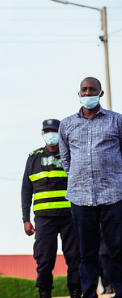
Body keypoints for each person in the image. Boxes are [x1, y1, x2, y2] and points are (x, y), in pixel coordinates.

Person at [59, 77, 122, 298]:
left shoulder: (117, 121)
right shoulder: (66, 125)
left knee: (117, 249)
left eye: (92, 89)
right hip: (80, 197)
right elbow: (66, 160)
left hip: (113, 195)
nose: (88, 93)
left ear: (100, 93)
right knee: (86, 252)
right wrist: (80, 177)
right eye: (84, 90)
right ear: (79, 94)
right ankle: (89, 293)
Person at [21, 119, 80, 298]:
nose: (50, 135)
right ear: (42, 134)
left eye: (53, 131)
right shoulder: (34, 157)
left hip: (69, 216)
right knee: (44, 258)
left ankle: (76, 292)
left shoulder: (71, 154)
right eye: (47, 131)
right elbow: (26, 189)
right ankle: (44, 292)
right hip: (44, 218)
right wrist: (25, 219)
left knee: (74, 257)